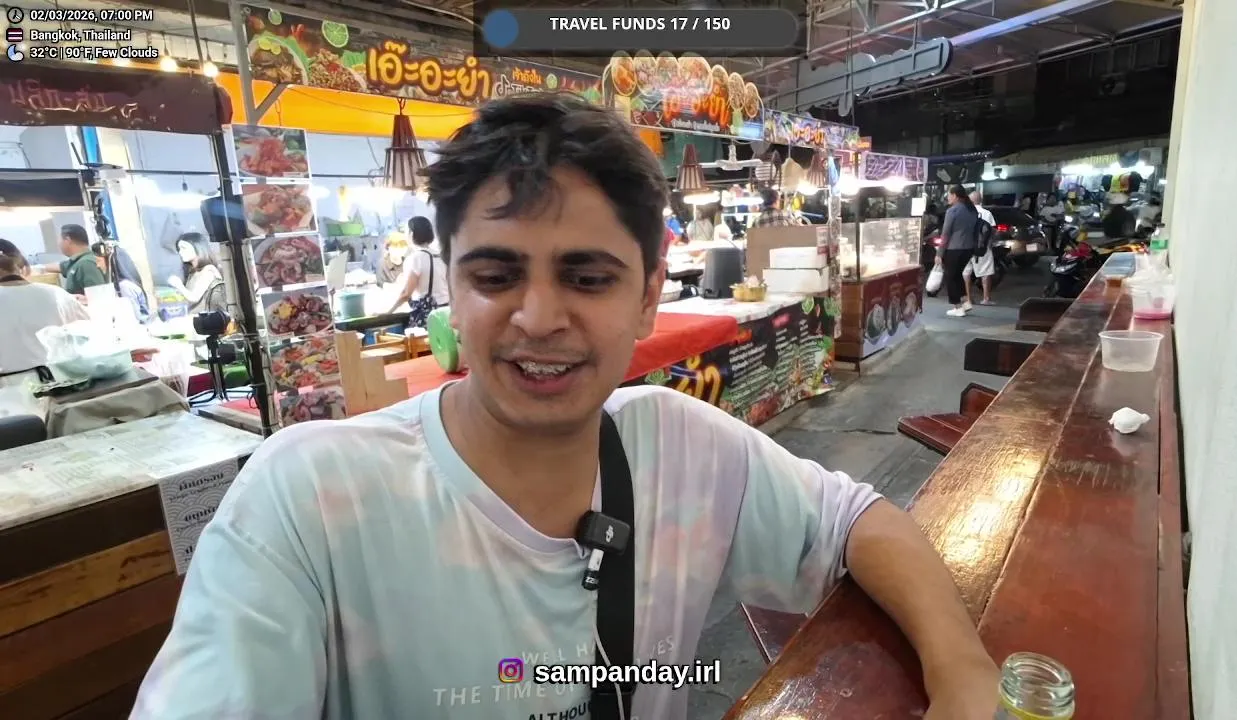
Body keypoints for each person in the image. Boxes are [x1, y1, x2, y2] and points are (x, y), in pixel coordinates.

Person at [132, 95, 998, 720]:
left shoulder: (682, 445)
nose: (539, 318)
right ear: (452, 291)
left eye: (587, 277)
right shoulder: (309, 497)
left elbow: (857, 522)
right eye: (495, 275)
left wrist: (962, 672)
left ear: (648, 298)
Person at [0, 239, 89, 413]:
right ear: (22, 267)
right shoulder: (55, 294)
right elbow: (89, 330)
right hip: (61, 390)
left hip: (8, 400)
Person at [392, 215, 450, 328]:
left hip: (427, 316)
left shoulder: (415, 258)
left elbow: (406, 294)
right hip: (446, 313)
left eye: (406, 231)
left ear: (411, 234)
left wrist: (389, 312)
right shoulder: (441, 256)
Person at [935, 184, 980, 317]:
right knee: (957, 275)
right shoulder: (972, 210)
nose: (948, 198)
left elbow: (945, 234)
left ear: (955, 195)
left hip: (954, 248)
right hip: (968, 248)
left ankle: (957, 307)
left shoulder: (952, 211)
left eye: (949, 195)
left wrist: (939, 253)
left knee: (951, 277)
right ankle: (965, 302)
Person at [38, 224, 109, 296]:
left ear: (67, 240)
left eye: (59, 240)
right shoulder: (77, 262)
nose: (58, 244)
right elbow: (60, 266)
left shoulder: (86, 264)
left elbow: (98, 297)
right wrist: (35, 268)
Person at [168, 233, 226, 315]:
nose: (180, 252)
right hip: (194, 315)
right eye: (179, 249)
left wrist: (179, 285)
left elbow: (194, 297)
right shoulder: (192, 271)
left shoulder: (209, 271)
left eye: (184, 248)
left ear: (198, 248)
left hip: (207, 318)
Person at [964, 190, 997, 307]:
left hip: (966, 247)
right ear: (981, 200)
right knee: (986, 272)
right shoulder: (987, 213)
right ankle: (986, 298)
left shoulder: (965, 213)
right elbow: (992, 230)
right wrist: (990, 243)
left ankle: (969, 298)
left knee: (966, 272)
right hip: (982, 248)